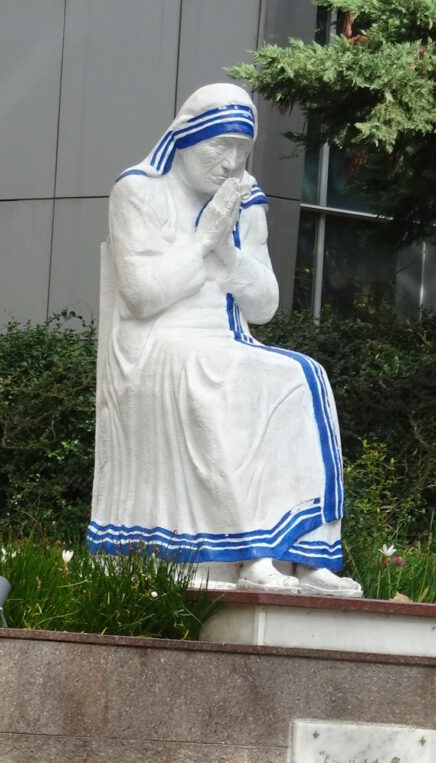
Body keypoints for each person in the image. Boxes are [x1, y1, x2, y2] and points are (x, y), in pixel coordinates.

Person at [89, 83, 360, 598]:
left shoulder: (245, 196)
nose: (230, 163)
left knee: (304, 374)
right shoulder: (139, 191)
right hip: (158, 343)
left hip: (226, 340)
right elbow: (143, 296)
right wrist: (207, 237)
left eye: (242, 150)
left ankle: (304, 556)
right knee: (217, 373)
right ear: (186, 139)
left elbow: (264, 307)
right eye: (220, 147)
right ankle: (249, 552)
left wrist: (231, 255)